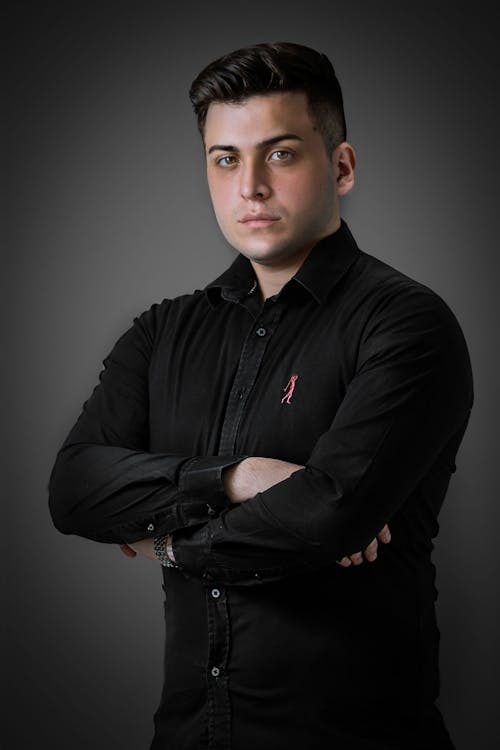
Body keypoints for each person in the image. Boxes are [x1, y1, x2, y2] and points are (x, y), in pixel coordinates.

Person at [49, 42, 473, 749]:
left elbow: (326, 519)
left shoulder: (405, 323)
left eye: (279, 154)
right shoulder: (163, 331)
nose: (249, 186)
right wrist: (236, 477)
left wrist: (162, 542)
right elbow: (73, 489)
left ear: (340, 167)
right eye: (225, 158)